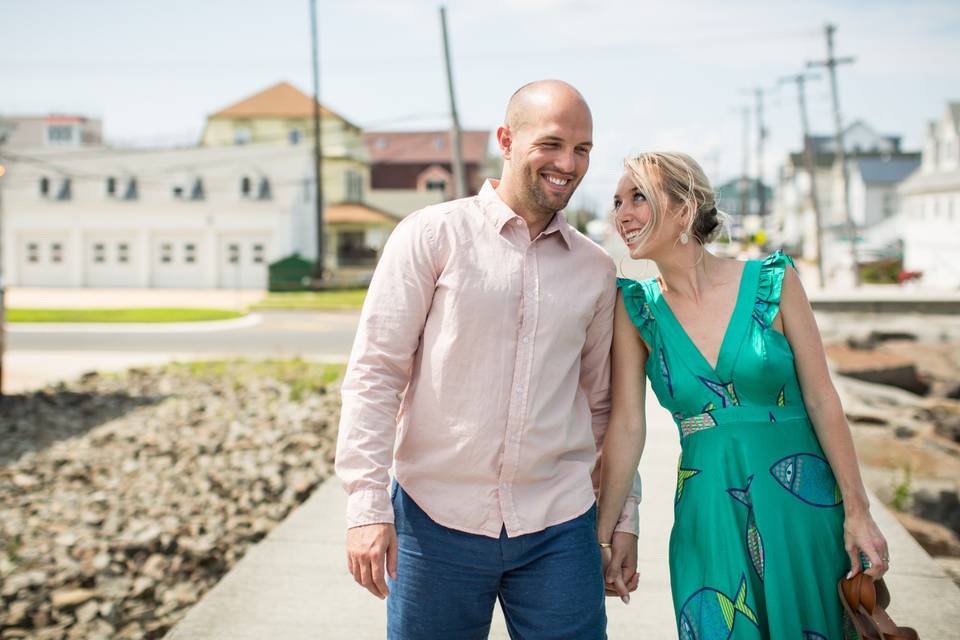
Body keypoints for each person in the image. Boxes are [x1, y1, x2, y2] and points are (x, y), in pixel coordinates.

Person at [335, 79, 642, 640]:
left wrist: (623, 519)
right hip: (434, 522)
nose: (567, 164)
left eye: (582, 150)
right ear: (506, 138)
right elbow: (376, 374)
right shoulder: (430, 236)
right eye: (551, 144)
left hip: (559, 524)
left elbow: (604, 407)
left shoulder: (596, 269)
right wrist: (366, 506)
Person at [596, 151, 890, 639]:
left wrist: (859, 514)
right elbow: (628, 425)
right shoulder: (636, 309)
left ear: (685, 208)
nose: (621, 214)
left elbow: (822, 400)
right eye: (616, 201)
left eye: (638, 198)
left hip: (803, 507)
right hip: (708, 512)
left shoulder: (773, 282)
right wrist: (604, 537)